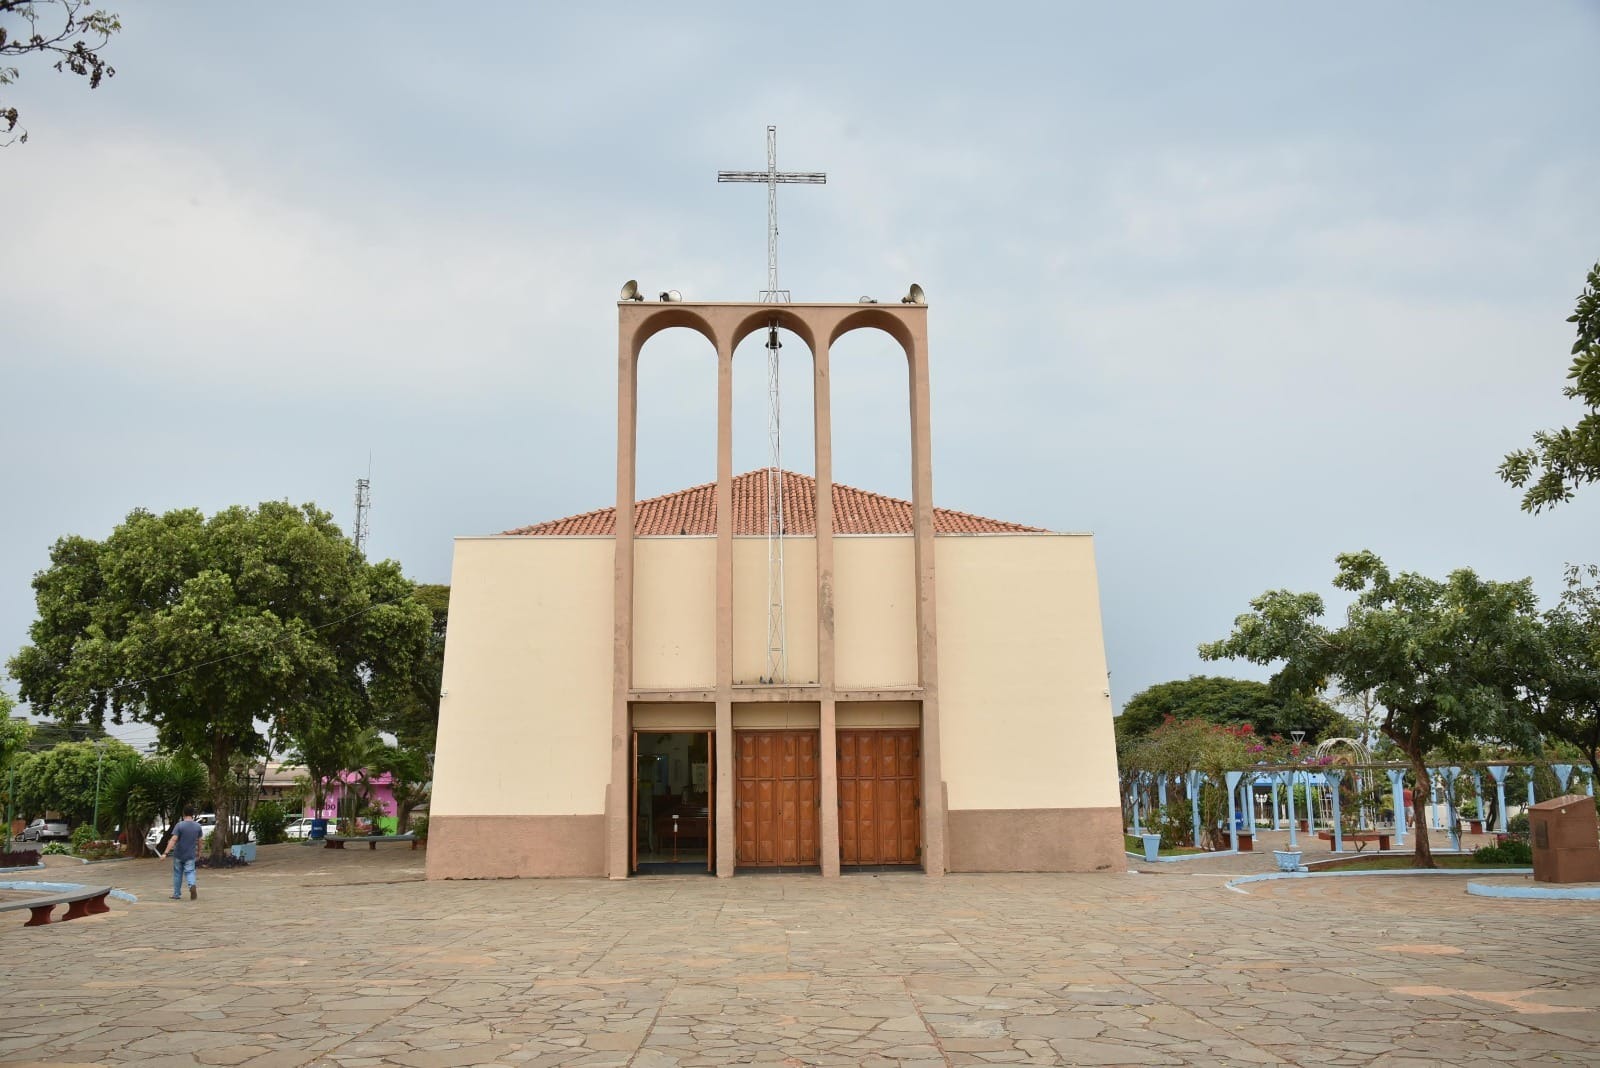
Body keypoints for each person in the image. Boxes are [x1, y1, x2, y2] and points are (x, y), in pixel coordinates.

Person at [160, 806, 203, 901]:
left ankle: (176, 894)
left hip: (179, 854)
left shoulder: (179, 825)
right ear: (193, 814)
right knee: (190, 871)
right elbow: (200, 841)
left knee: (177, 874)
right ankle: (192, 885)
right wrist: (199, 852)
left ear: (184, 813)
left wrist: (165, 853)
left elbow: (173, 840)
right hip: (190, 854)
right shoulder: (197, 826)